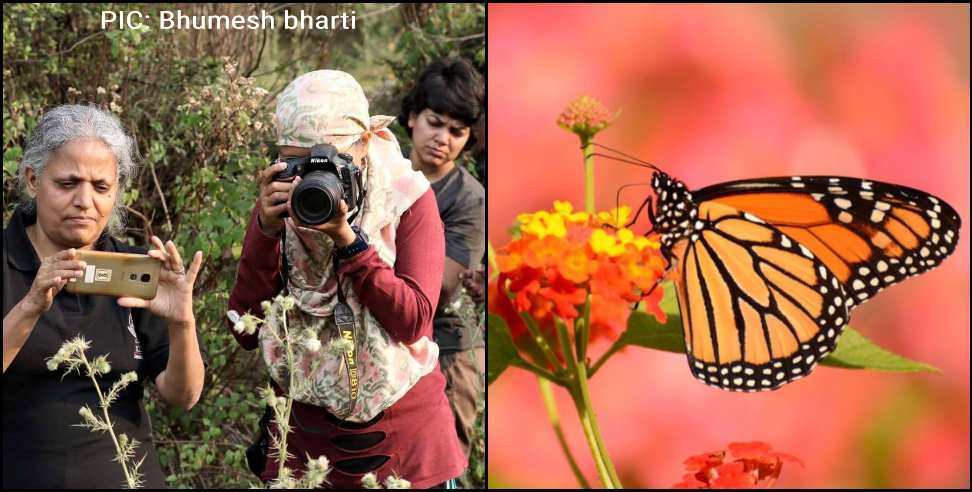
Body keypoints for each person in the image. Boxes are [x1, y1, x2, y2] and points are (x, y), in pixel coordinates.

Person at [228, 70, 465, 488]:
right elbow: (245, 327)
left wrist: (349, 243)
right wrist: (264, 232)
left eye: (331, 162)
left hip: (405, 445)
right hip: (302, 444)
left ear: (366, 143)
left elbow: (413, 322)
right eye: (296, 161)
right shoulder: (281, 207)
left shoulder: (406, 198)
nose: (312, 181)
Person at [2, 104, 205, 488]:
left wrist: (182, 322)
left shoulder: (134, 271)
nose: (84, 201)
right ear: (32, 180)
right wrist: (30, 306)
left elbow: (184, 395)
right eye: (67, 183)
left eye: (100, 187)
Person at [399, 57, 486, 460]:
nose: (443, 138)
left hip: (446, 350)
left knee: (441, 466)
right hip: (380, 343)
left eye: (457, 131)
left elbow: (439, 286)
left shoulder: (469, 198)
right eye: (435, 122)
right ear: (413, 117)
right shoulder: (383, 173)